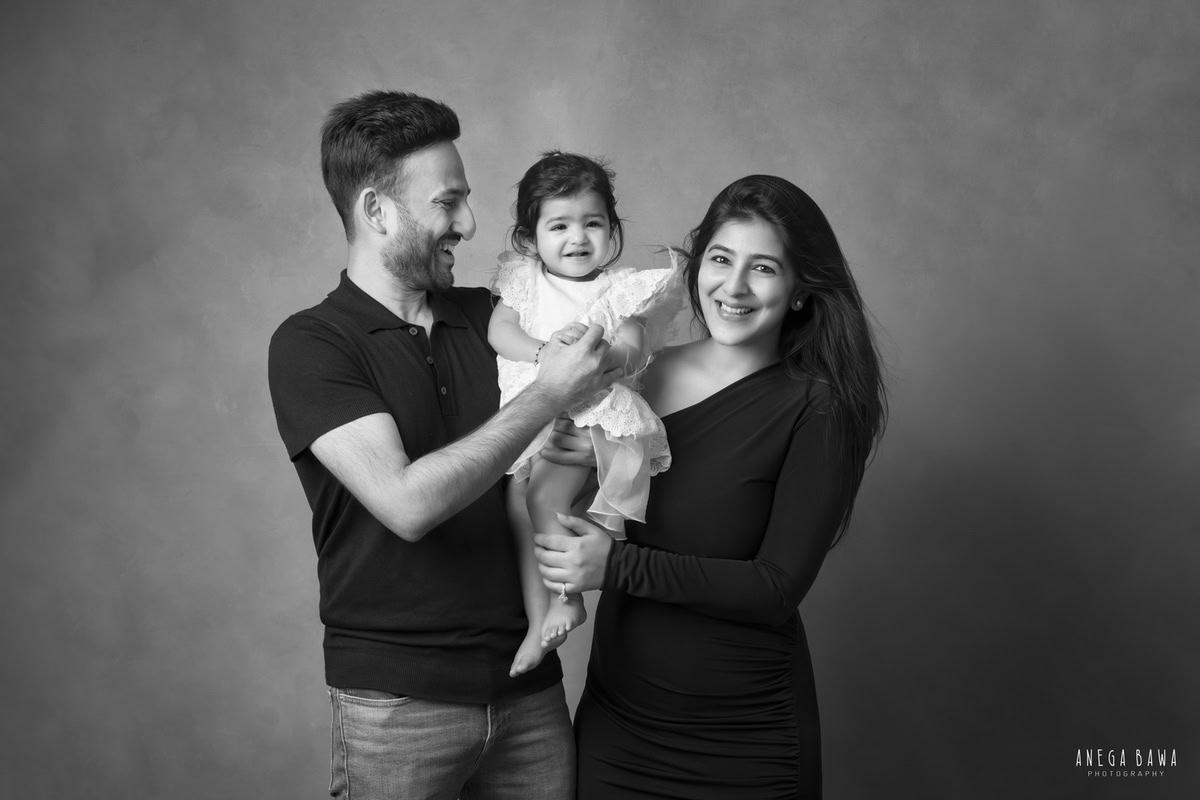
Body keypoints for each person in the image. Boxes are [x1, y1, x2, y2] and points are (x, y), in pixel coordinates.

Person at [267, 90, 619, 800]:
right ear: (377, 212)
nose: (470, 222)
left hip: (531, 695)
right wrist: (545, 395)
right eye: (447, 202)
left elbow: (559, 450)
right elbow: (405, 504)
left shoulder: (489, 315)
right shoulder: (313, 345)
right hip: (398, 707)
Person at [535, 175, 887, 799]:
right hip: (618, 731)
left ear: (801, 290)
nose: (735, 287)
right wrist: (581, 459)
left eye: (765, 269)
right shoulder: (635, 376)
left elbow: (775, 587)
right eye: (721, 260)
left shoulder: (819, 408)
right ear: (697, 266)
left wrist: (619, 566)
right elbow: (577, 493)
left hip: (744, 745)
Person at [488, 152, 681, 678]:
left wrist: (604, 357)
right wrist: (540, 351)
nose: (578, 238)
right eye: (560, 225)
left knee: (543, 495)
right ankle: (539, 617)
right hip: (539, 413)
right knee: (517, 504)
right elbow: (499, 332)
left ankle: (569, 597)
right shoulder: (523, 280)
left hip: (591, 415)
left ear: (612, 230)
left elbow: (635, 347)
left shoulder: (615, 289)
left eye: (592, 223)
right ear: (530, 239)